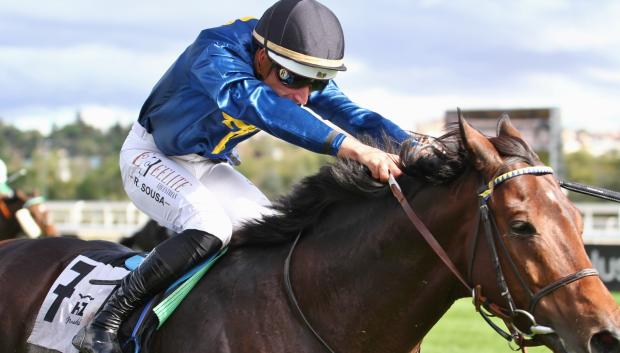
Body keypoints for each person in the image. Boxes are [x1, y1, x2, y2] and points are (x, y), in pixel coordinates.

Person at [73, 1, 412, 352]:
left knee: (269, 232)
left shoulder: (290, 64)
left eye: (313, 83)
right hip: (151, 155)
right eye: (292, 78)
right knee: (211, 227)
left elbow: (355, 116)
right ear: (262, 57)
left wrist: (419, 147)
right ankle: (106, 320)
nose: (302, 95)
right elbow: (259, 105)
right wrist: (354, 150)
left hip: (207, 162)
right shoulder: (215, 52)